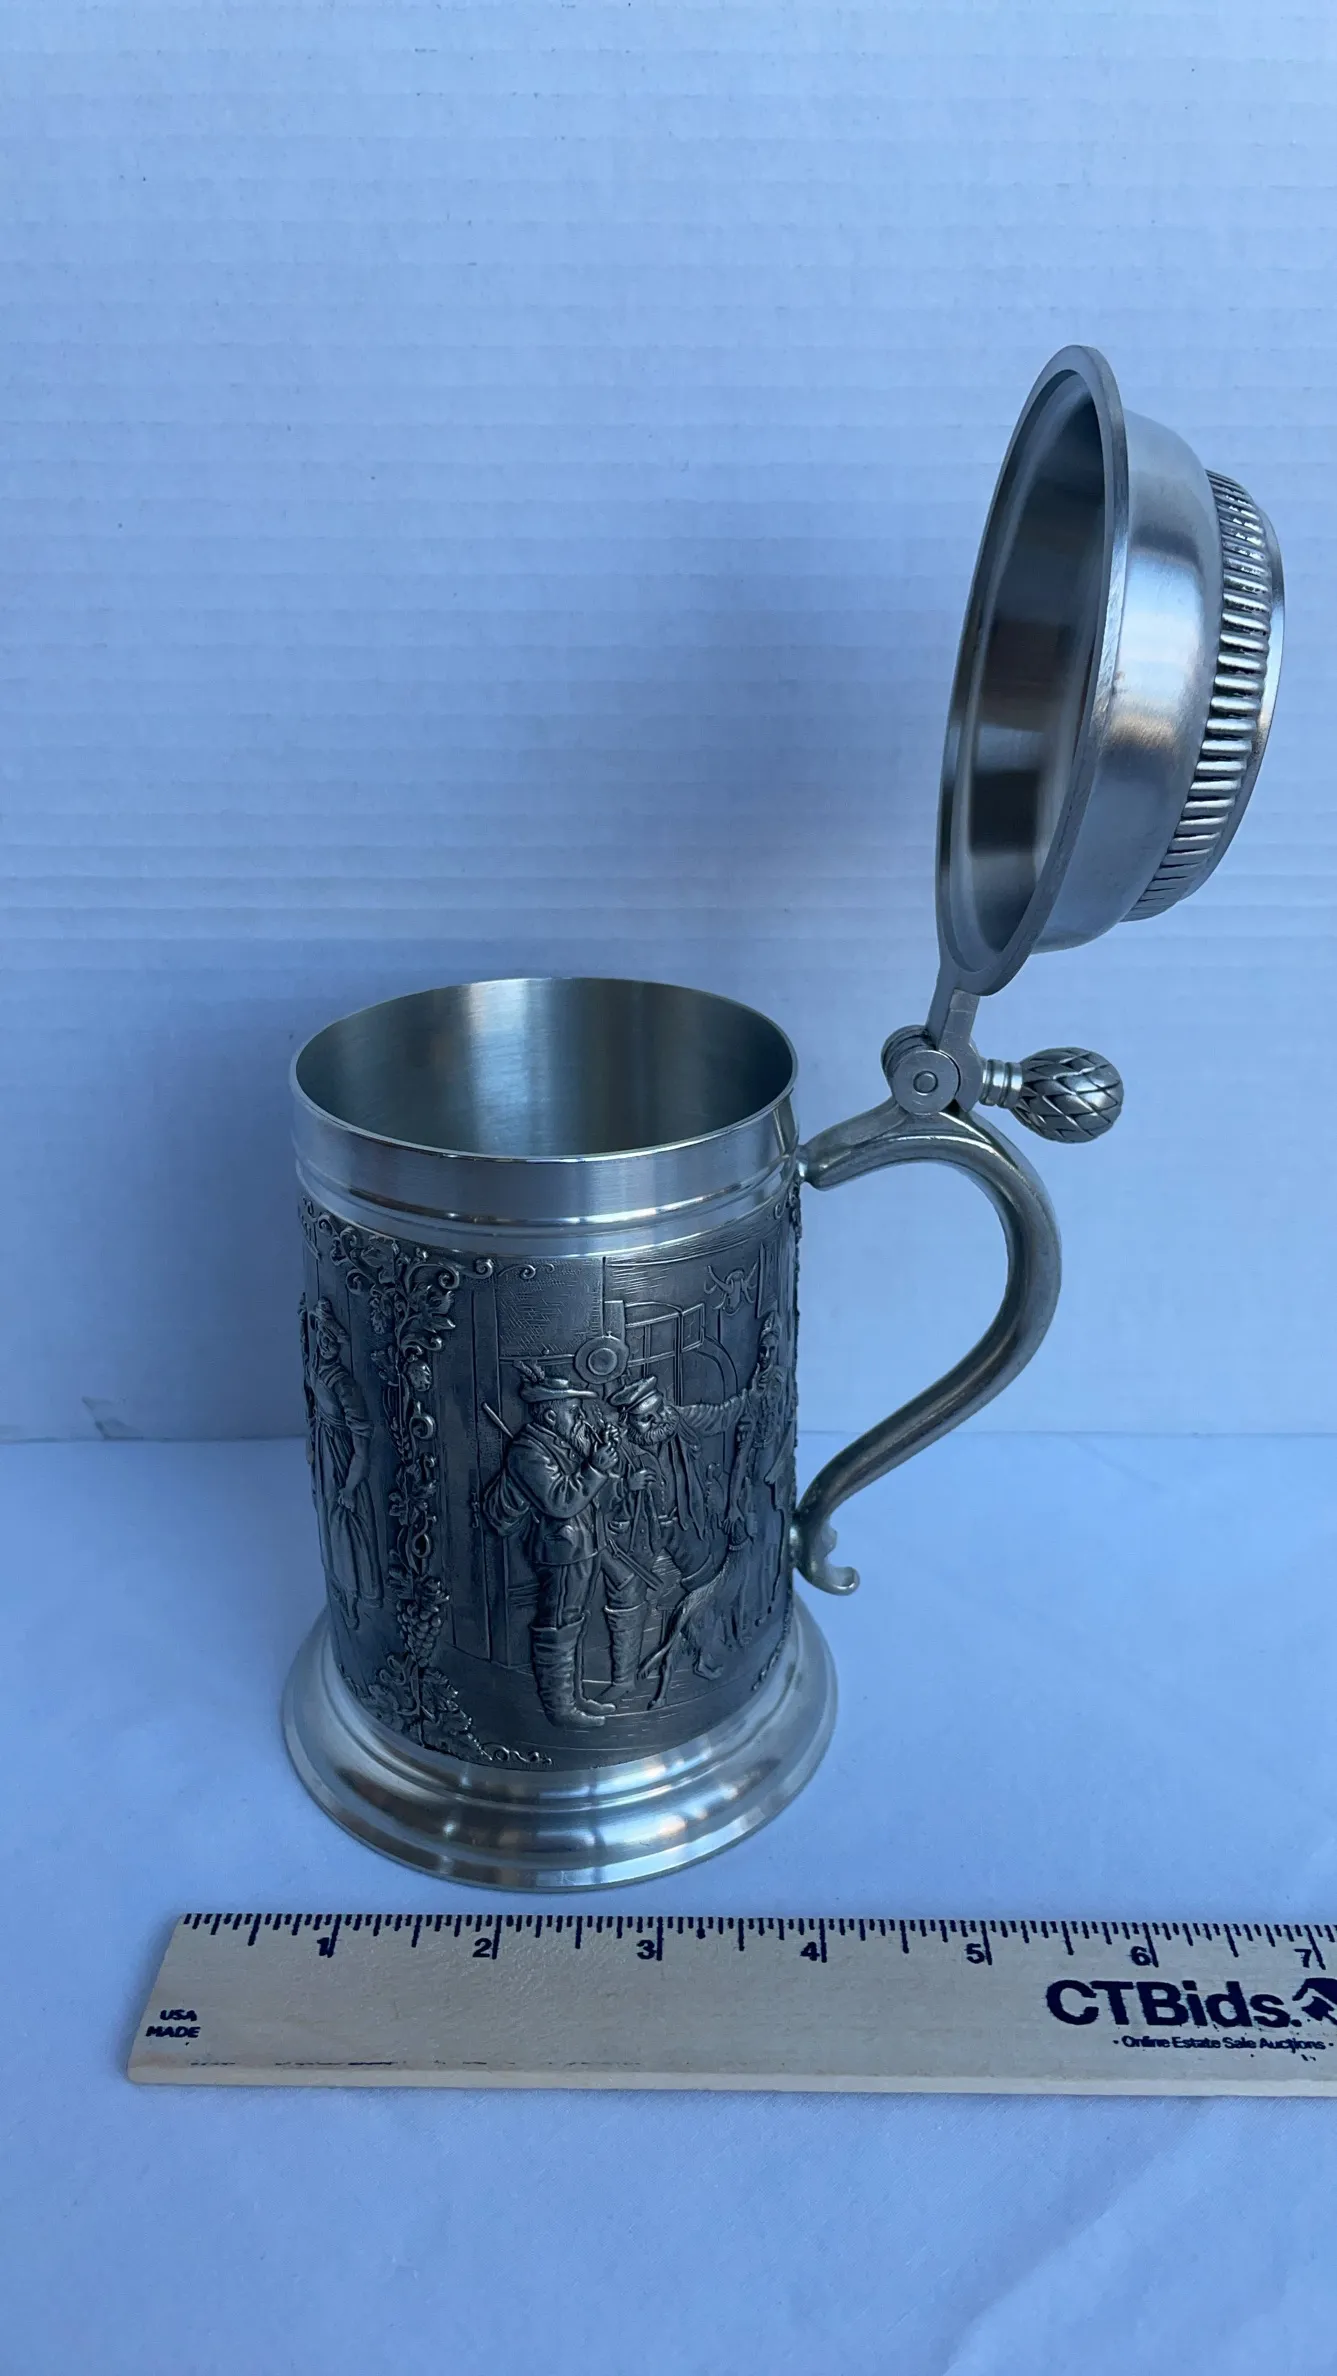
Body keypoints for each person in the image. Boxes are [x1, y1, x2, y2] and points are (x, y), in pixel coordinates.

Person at [483, 1372, 620, 1730]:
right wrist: (595, 1468)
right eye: (573, 1412)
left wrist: (602, 1454)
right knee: (557, 1624)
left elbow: (595, 1493)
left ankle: (575, 1697)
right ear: (549, 1416)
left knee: (572, 1621)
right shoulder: (527, 1451)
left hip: (582, 1545)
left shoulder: (561, 1443)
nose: (580, 1418)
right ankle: (560, 1708)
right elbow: (560, 1502)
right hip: (560, 1551)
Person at [302, 1297, 382, 1633]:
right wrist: (312, 1444)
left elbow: (362, 1444)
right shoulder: (318, 1368)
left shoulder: (344, 1385)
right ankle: (342, 1600)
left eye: (330, 1340)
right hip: (325, 1455)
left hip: (342, 1464)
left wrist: (350, 1487)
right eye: (322, 1336)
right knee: (331, 1528)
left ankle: (351, 1600)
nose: (324, 1343)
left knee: (347, 1535)